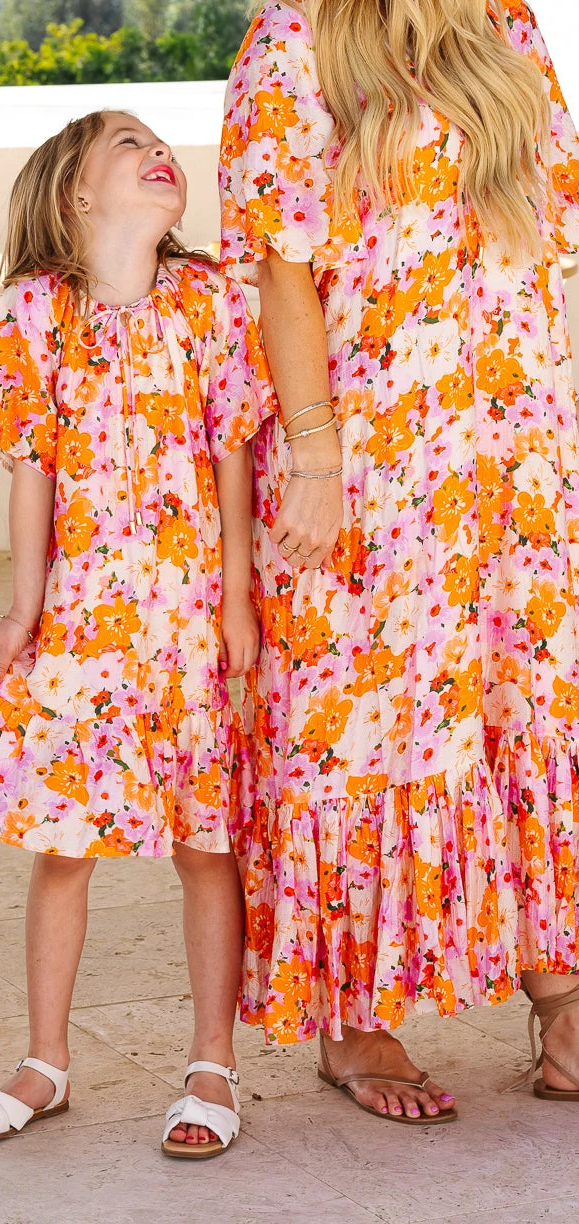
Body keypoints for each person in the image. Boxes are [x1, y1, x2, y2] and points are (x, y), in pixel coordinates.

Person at [220, 0, 579, 1124]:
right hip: (374, 451)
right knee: (362, 720)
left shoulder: (506, 25)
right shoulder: (296, 38)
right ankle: (353, 1019)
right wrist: (317, 458)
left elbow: (546, 236)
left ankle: (562, 998)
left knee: (524, 705)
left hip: (511, 449)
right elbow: (280, 267)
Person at [0, 109, 276, 1157]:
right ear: (77, 194)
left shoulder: (211, 301)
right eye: (127, 142)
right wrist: (23, 609)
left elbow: (233, 455)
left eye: (157, 139)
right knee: (65, 846)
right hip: (86, 625)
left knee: (206, 846)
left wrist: (236, 602)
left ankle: (213, 1062)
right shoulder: (37, 313)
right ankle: (45, 1061)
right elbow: (32, 473)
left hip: (187, 621)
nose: (156, 149)